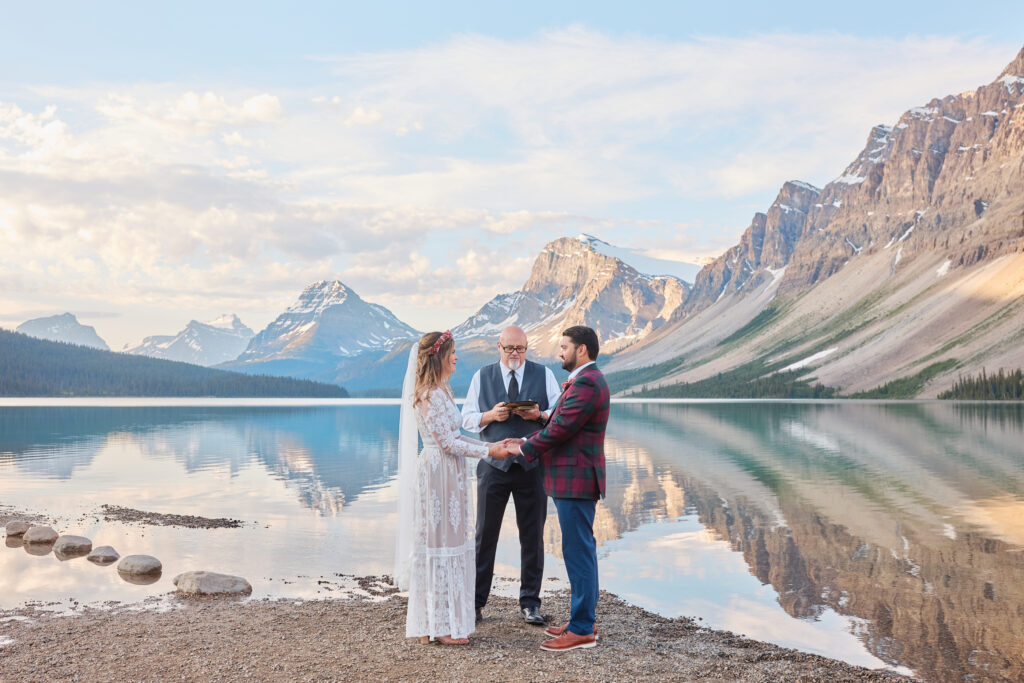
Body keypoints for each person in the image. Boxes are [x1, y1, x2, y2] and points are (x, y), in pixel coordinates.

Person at [393, 330, 511, 645]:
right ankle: (438, 627)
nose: (457, 357)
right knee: (438, 545)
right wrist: (490, 450)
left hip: (451, 474)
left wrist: (493, 443)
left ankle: (442, 621)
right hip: (436, 476)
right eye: (453, 352)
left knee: (452, 543)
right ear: (439, 357)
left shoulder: (444, 390)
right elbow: (446, 442)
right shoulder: (428, 394)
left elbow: (456, 435)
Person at [504, 326, 609, 652]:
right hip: (572, 479)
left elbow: (562, 429)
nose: (559, 352)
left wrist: (522, 448)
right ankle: (581, 621)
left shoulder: (588, 382)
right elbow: (560, 418)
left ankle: (582, 630)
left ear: (582, 350)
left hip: (575, 479)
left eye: (564, 346)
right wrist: (535, 425)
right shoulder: (583, 381)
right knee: (579, 551)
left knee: (578, 553)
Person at [461, 325, 561, 626]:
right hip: (493, 468)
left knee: (533, 537)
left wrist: (539, 415)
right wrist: (490, 415)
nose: (515, 353)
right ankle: (476, 603)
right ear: (499, 347)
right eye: (509, 348)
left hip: (533, 467)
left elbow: (559, 413)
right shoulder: (482, 376)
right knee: (484, 535)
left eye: (520, 348)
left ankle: (530, 603)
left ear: (527, 348)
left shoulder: (544, 374)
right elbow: (465, 418)